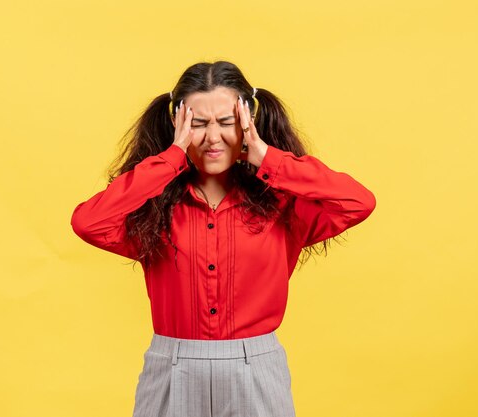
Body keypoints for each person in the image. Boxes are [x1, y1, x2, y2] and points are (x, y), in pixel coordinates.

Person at [70, 60, 376, 417]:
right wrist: (169, 160)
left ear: (248, 122)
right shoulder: (153, 210)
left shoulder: (282, 204)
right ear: (178, 124)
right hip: (171, 367)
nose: (212, 138)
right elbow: (88, 221)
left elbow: (358, 202)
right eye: (198, 124)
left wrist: (267, 158)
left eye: (226, 122)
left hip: (256, 368)